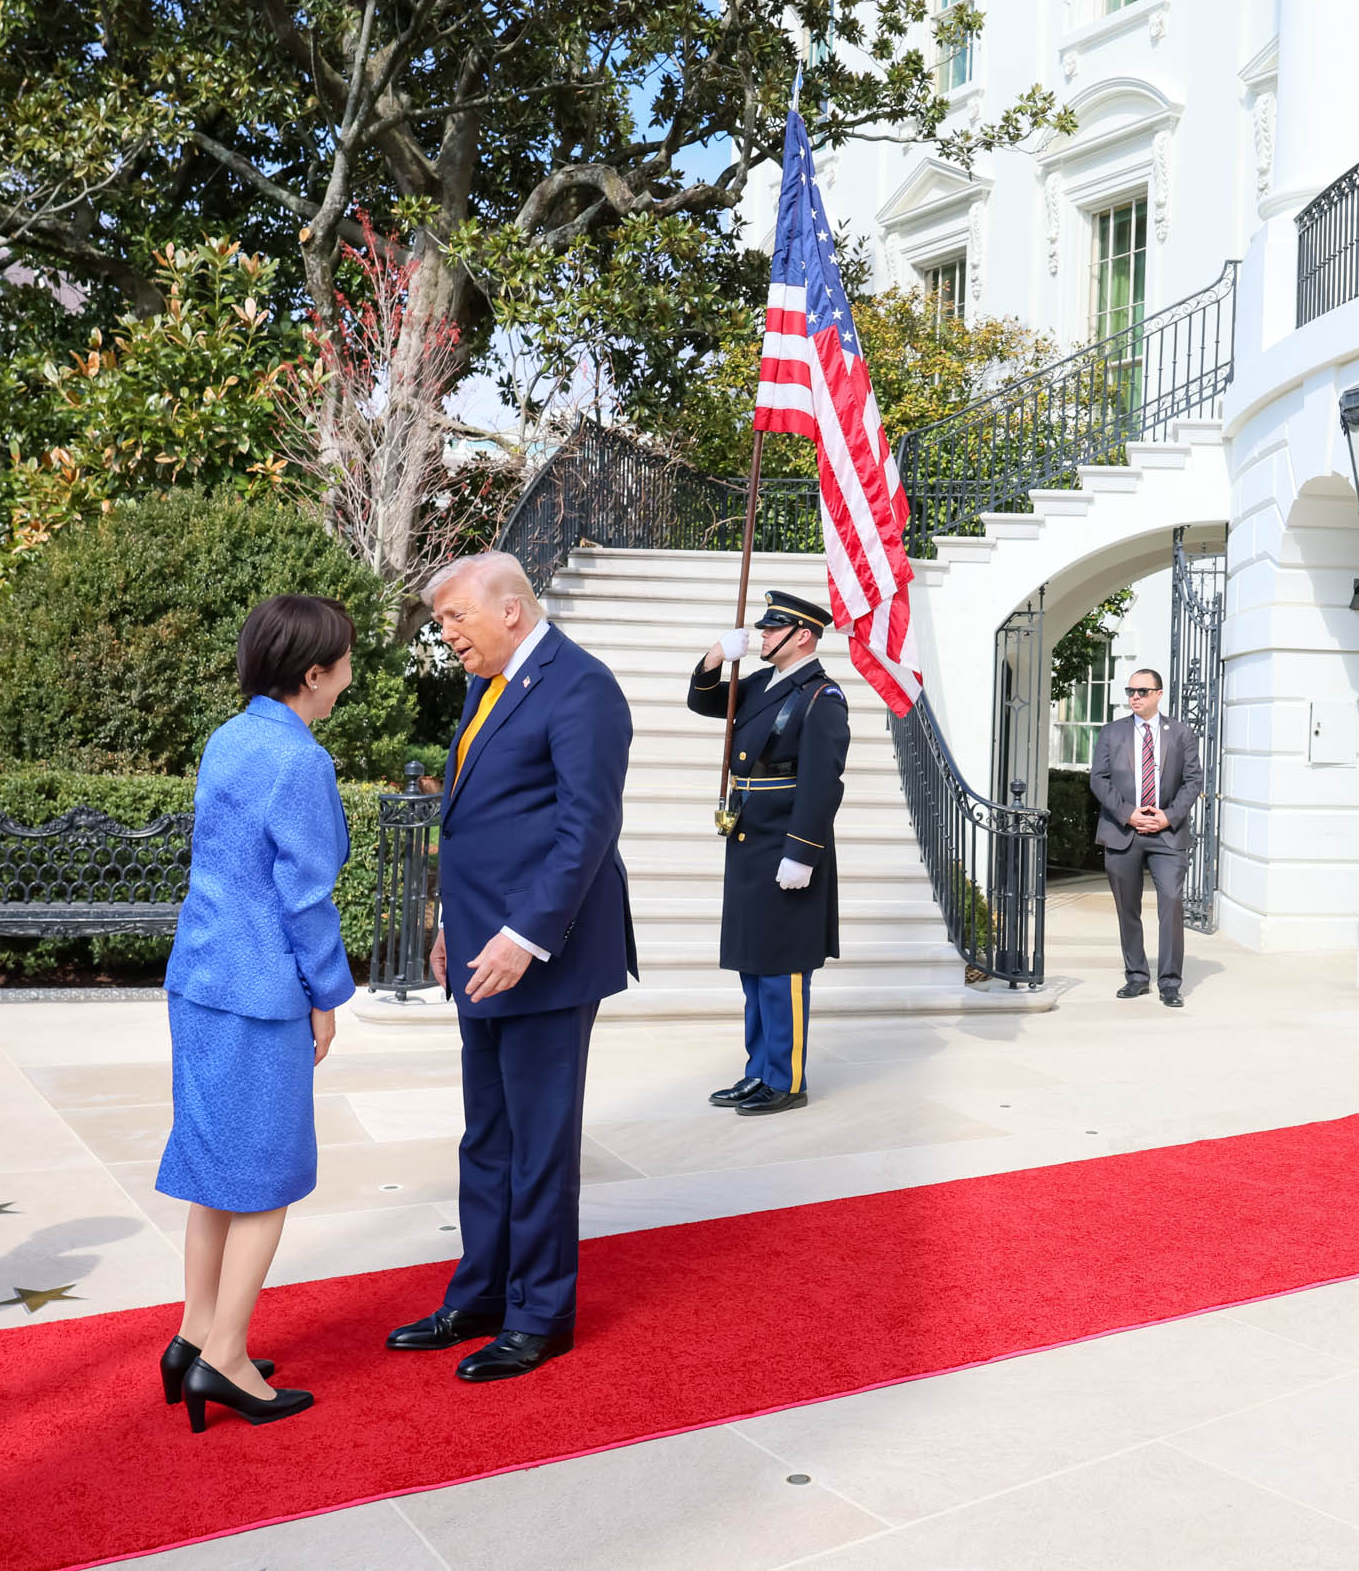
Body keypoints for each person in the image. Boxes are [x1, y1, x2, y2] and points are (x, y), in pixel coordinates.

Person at [385, 551, 637, 1383]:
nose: (445, 634)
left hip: (547, 956)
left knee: (539, 1142)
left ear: (511, 612)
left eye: (455, 618)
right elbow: (478, 821)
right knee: (487, 1135)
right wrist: (455, 927)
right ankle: (482, 1294)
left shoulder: (582, 688)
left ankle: (540, 1313)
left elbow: (584, 830)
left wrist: (522, 935)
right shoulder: (489, 682)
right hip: (482, 951)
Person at [158, 594, 363, 1432]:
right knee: (267, 1179)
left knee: (215, 1168)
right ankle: (226, 1360)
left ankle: (194, 1334)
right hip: (260, 987)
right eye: (345, 662)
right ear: (313, 675)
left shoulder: (230, 737)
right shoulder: (299, 761)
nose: (351, 675)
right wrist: (329, 995)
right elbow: (306, 897)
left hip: (200, 974)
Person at [689, 589, 851, 1115]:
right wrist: (717, 656)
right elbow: (706, 700)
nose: (760, 637)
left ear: (801, 635)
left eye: (768, 630)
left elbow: (823, 783)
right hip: (749, 838)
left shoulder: (821, 696)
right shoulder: (764, 682)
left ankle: (786, 1079)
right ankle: (758, 1071)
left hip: (785, 842)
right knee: (753, 964)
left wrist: (802, 852)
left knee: (783, 966)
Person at [1087, 668, 1205, 1007]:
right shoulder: (1112, 733)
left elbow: (1192, 781)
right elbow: (1099, 779)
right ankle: (1137, 976)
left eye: (1141, 691)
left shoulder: (1181, 734)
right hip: (1123, 831)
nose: (1134, 697)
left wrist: (1168, 816)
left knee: (1171, 903)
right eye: (1130, 691)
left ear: (1158, 694)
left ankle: (1170, 982)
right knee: (1128, 908)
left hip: (1167, 834)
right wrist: (1128, 813)